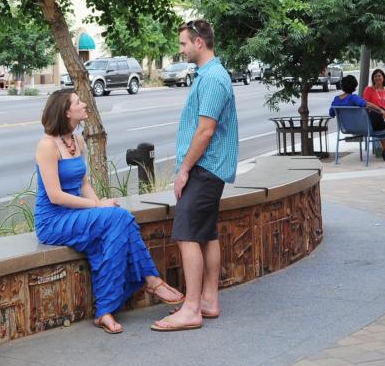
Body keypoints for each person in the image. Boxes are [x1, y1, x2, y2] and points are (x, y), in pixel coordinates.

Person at [34, 89, 184, 334]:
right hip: (53, 220)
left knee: (116, 223)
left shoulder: (77, 141)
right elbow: (55, 196)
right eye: (78, 102)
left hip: (76, 214)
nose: (84, 104)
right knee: (119, 217)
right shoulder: (47, 146)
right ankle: (150, 281)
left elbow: (83, 184)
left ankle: (106, 311)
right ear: (66, 111)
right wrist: (97, 206)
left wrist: (100, 202)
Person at [153, 19, 239, 332]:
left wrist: (184, 170)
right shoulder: (209, 75)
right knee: (206, 233)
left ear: (199, 41)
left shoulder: (214, 78)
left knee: (187, 234)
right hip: (209, 167)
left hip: (205, 167)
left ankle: (191, 308)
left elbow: (205, 130)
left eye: (184, 44)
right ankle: (208, 300)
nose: (181, 50)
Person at [329, 74, 385, 160]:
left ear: (342, 86)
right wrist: (381, 110)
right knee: (378, 115)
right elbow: (367, 104)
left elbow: (331, 113)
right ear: (354, 86)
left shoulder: (336, 99)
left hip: (346, 128)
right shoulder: (353, 98)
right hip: (361, 127)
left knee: (378, 118)